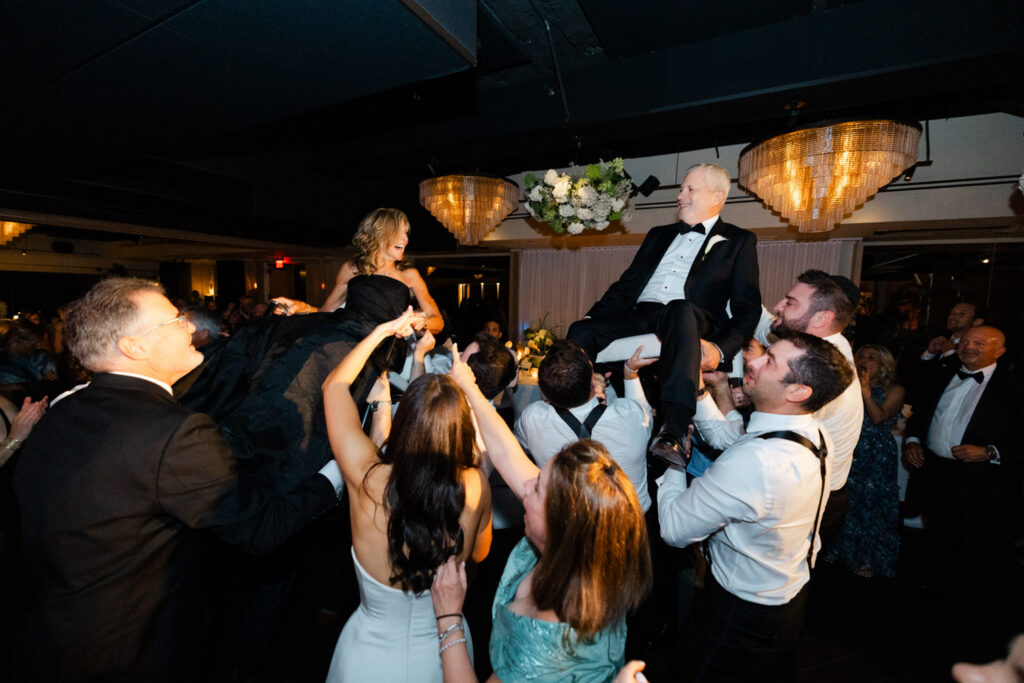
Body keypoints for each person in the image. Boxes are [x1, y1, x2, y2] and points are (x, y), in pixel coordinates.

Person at [11, 277, 343, 682]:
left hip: (50, 639)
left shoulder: (65, 407)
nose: (189, 327)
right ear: (135, 347)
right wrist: (340, 467)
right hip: (128, 654)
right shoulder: (173, 431)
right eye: (174, 320)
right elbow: (262, 528)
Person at [431, 347, 652, 683]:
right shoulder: (588, 551)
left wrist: (448, 617)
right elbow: (507, 451)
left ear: (560, 521)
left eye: (536, 489)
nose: (526, 486)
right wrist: (468, 386)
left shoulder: (551, 635)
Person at [659, 330, 853, 682]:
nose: (752, 359)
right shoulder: (814, 431)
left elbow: (673, 529)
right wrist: (703, 392)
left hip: (738, 615)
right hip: (789, 599)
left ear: (797, 391)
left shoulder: (759, 462)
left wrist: (673, 460)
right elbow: (730, 439)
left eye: (770, 360)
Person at [322, 308, 492, 683]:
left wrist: (381, 331)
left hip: (367, 657)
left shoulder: (366, 476)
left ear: (406, 421)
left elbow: (333, 386)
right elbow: (479, 553)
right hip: (444, 653)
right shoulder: (475, 484)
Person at [566, 162, 761, 462]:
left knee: (678, 309)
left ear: (717, 197)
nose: (680, 194)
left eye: (689, 189)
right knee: (581, 330)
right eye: (682, 187)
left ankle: (675, 428)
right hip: (640, 312)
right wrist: (594, 317)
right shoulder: (658, 233)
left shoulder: (739, 241)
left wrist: (721, 350)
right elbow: (627, 284)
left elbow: (747, 309)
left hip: (688, 316)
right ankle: (573, 409)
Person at [699, 270, 861, 540]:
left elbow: (732, 440)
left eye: (790, 302)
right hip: (794, 486)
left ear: (822, 318)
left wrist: (699, 392)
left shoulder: (817, 371)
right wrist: (732, 279)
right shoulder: (815, 345)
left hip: (804, 500)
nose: (778, 307)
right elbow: (765, 323)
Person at [903, 325, 1021, 660]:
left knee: (985, 557)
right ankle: (941, 623)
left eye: (979, 343)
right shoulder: (942, 374)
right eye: (965, 341)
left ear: (999, 351)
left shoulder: (1014, 387)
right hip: (938, 476)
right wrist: (912, 441)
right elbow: (921, 414)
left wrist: (991, 451)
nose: (968, 347)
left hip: (986, 484)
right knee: (942, 548)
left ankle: (988, 637)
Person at [515, 339, 654, 513]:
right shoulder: (630, 414)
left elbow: (520, 444)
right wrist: (630, 372)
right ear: (591, 377)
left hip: (567, 525)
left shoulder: (533, 417)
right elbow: (646, 415)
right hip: (631, 525)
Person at [274, 207, 444, 334]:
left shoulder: (410, 275)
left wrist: (421, 321)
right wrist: (300, 307)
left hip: (390, 348)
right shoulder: (351, 269)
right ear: (379, 235)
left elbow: (438, 321)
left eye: (406, 233)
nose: (405, 239)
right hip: (352, 341)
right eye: (399, 233)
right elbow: (326, 311)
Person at [824, 344, 904, 577]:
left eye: (872, 358)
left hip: (875, 452)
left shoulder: (895, 390)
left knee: (870, 503)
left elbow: (878, 417)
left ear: (884, 366)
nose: (864, 361)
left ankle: (868, 557)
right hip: (848, 447)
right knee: (843, 499)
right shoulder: (844, 386)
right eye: (860, 356)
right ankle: (838, 548)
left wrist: (866, 390)